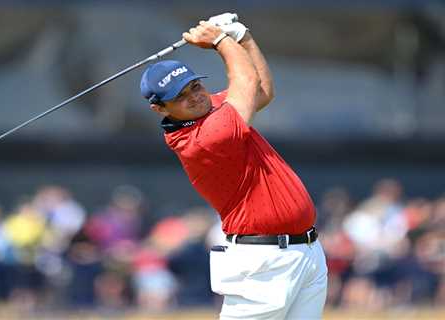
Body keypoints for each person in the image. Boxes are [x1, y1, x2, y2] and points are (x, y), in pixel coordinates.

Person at [139, 14, 328, 320]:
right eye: (181, 96)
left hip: (305, 251)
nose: (195, 97)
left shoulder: (211, 111)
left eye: (195, 86)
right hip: (262, 262)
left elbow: (262, 90)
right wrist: (219, 39)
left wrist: (244, 38)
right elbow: (247, 81)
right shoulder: (203, 138)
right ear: (159, 108)